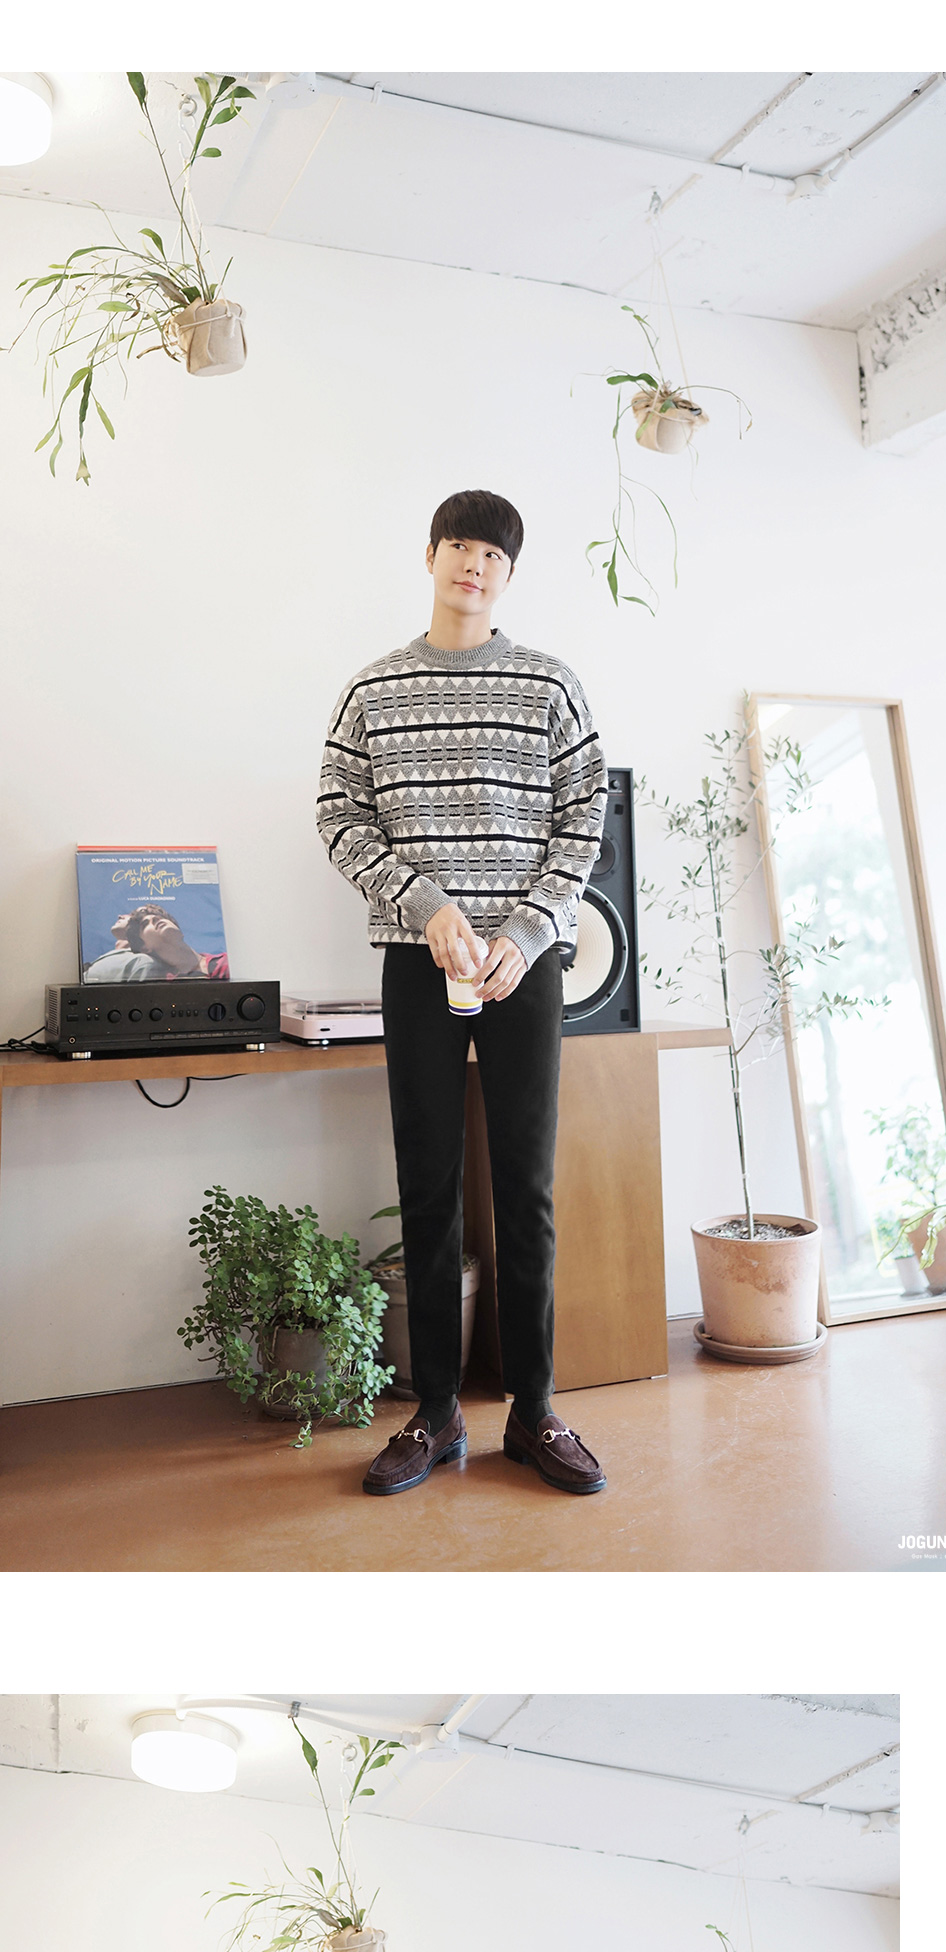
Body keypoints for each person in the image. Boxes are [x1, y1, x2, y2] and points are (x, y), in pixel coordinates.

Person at [316, 487, 609, 1499]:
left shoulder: (549, 684)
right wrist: (425, 903)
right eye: (459, 546)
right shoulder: (375, 688)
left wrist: (527, 932)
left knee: (525, 1187)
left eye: (492, 554)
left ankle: (534, 1412)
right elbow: (340, 816)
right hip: (417, 960)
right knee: (429, 1184)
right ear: (431, 556)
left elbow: (583, 818)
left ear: (508, 575)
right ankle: (435, 1412)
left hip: (524, 967)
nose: (473, 565)